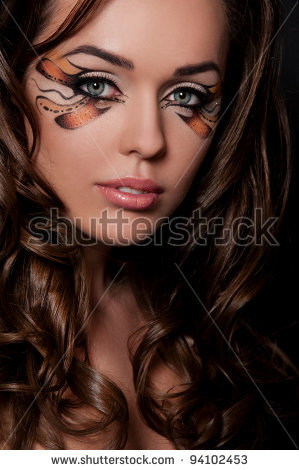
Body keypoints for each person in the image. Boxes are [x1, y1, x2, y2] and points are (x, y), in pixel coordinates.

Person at [0, 0, 298, 450]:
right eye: (95, 84)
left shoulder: (188, 312)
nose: (149, 140)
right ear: (8, 82)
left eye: (186, 96)